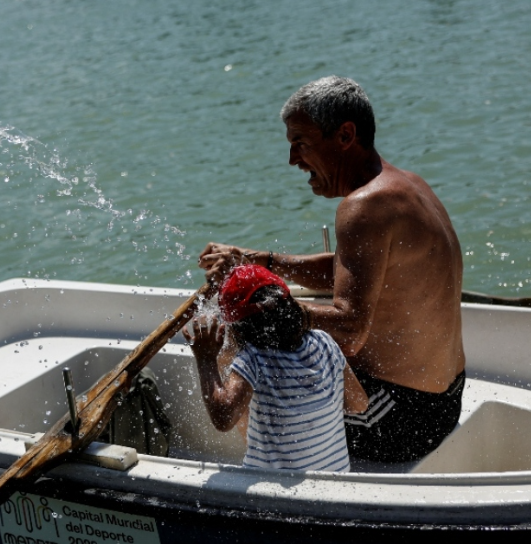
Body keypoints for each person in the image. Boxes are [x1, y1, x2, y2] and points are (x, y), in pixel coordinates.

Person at [198, 76, 466, 464]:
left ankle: (270, 474)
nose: (293, 160)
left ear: (344, 135)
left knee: (240, 345)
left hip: (400, 420)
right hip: (444, 402)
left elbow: (351, 329)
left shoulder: (362, 207)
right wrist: (264, 263)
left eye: (300, 144)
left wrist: (269, 310)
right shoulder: (405, 186)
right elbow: (351, 269)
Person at [183, 265, 368, 472]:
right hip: (336, 483)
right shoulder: (323, 341)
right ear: (291, 305)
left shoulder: (253, 358)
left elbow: (223, 419)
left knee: (240, 401)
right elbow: (358, 404)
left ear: (236, 328)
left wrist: (206, 359)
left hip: (275, 497)